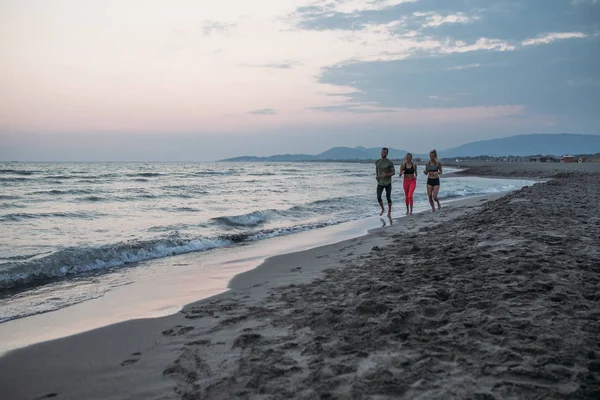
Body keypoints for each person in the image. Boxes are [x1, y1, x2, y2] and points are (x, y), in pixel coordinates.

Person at [375, 147, 395, 216]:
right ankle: (383, 209)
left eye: (385, 152)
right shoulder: (377, 161)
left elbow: (393, 172)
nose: (383, 153)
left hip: (388, 183)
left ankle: (389, 211)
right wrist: (377, 176)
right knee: (378, 196)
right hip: (380, 182)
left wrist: (386, 175)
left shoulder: (389, 162)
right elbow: (377, 168)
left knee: (388, 197)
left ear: (387, 153)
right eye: (382, 152)